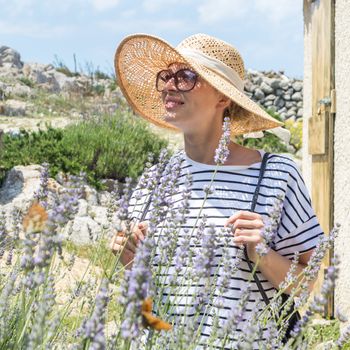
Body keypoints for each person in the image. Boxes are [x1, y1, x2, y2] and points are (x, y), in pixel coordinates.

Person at [110, 33, 324, 348]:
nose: (170, 84)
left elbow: (307, 283)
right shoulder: (154, 180)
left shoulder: (275, 175)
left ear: (223, 98)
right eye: (166, 76)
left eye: (186, 76)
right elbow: (145, 298)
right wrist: (128, 259)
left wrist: (262, 255)